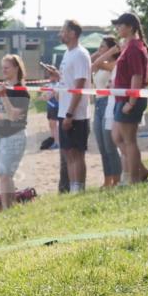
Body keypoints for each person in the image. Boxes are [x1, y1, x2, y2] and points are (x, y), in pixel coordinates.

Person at [51, 20, 92, 193]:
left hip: (75, 113)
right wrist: (57, 75)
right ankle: (73, 188)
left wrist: (70, 114)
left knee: (76, 153)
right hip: (64, 110)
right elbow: (68, 81)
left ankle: (78, 188)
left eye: (63, 31)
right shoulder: (69, 53)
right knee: (68, 152)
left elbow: (79, 85)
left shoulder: (80, 54)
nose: (61, 34)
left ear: (73, 33)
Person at [110, 13, 148, 185]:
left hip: (129, 99)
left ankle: (135, 179)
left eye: (120, 25)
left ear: (130, 27)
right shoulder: (129, 46)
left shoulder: (134, 48)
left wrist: (131, 101)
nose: (117, 28)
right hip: (122, 98)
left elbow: (137, 76)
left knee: (129, 140)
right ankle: (141, 171)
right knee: (119, 138)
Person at [0, 54, 31, 207]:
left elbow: (14, 116)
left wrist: (3, 97)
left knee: (6, 174)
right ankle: (9, 207)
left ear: (16, 68)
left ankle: (9, 207)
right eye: (3, 67)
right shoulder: (4, 87)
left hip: (14, 136)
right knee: (2, 174)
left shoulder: (21, 91)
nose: (4, 70)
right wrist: (4, 114)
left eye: (7, 67)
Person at [91, 36, 122, 188]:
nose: (100, 49)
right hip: (98, 103)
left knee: (110, 146)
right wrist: (101, 52)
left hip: (108, 103)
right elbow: (91, 64)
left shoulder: (114, 64)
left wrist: (108, 53)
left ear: (111, 49)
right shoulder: (101, 64)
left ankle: (117, 179)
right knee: (102, 146)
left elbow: (96, 63)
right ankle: (107, 179)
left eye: (103, 46)